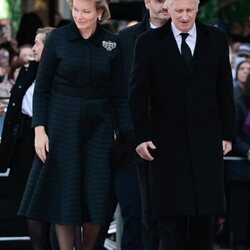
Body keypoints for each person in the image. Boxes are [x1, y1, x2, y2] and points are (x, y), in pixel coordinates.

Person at [18, 0, 133, 250]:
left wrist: (125, 134)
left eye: (86, 11)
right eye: (76, 10)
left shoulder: (112, 43)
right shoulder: (58, 39)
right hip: (62, 127)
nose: (79, 16)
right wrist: (39, 129)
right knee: (65, 196)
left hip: (99, 129)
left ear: (100, 12)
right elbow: (43, 87)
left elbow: (119, 94)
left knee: (96, 196)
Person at [129, 0, 236, 249]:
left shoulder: (216, 38)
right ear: (168, 8)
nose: (185, 16)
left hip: (206, 143)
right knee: (170, 225)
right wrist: (141, 136)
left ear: (197, 7)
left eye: (190, 10)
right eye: (179, 10)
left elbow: (224, 89)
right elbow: (137, 94)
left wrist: (227, 134)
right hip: (165, 146)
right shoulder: (148, 43)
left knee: (204, 223)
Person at [108, 2, 169, 249]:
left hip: (175, 145)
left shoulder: (194, 37)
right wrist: (132, 136)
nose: (165, 4)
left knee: (171, 221)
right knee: (136, 217)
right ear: (146, 2)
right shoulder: (124, 40)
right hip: (131, 146)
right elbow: (117, 91)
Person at [0, 27, 54, 250]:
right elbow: (17, 107)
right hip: (24, 142)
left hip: (50, 141)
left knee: (49, 200)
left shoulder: (60, 73)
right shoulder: (27, 70)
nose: (33, 48)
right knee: (28, 200)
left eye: (38, 43)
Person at [226, 60, 250, 250]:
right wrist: (246, 150)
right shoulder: (239, 102)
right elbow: (231, 134)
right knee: (240, 223)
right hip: (241, 172)